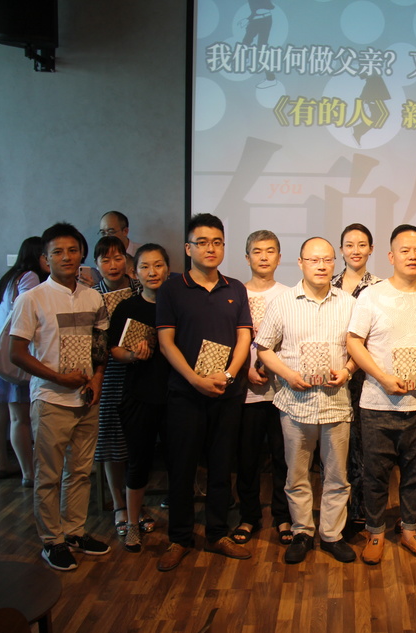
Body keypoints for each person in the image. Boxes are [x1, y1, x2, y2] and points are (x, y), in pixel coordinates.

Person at [10, 222, 112, 571]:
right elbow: (16, 353)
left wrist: (97, 378)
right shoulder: (32, 298)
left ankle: (75, 532)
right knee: (49, 475)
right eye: (57, 252)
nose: (66, 257)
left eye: (72, 250)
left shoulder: (93, 296)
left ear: (82, 254)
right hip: (51, 399)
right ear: (45, 259)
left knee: (81, 472)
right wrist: (58, 377)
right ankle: (52, 540)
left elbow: (100, 344)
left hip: (86, 398)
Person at [155, 213, 253, 571]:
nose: (210, 249)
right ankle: (180, 538)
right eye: (202, 242)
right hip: (186, 393)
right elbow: (166, 342)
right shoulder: (172, 289)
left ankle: (216, 533)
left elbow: (244, 337)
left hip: (227, 392)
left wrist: (228, 375)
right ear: (188, 248)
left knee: (221, 467)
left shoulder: (235, 288)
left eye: (217, 242)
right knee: (181, 468)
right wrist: (195, 380)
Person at [347, 224, 416, 565]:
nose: (412, 256)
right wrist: (383, 378)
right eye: (405, 250)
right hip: (378, 402)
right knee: (375, 473)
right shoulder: (371, 296)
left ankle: (409, 530)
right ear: (391, 256)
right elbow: (354, 342)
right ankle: (375, 532)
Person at [256, 237, 358, 564]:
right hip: (295, 404)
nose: (321, 266)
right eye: (313, 260)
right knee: (296, 475)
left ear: (334, 263)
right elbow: (264, 347)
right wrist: (287, 375)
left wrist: (348, 370)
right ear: (300, 263)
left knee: (337, 476)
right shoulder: (283, 302)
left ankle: (331, 534)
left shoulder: (348, 303)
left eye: (327, 260)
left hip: (336, 404)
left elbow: (360, 349)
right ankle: (302, 531)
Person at [108, 244, 171, 553]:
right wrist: (132, 355)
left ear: (168, 269)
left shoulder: (177, 305)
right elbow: (115, 350)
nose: (152, 272)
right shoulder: (127, 308)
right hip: (139, 394)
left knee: (178, 462)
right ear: (135, 273)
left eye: (158, 265)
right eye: (145, 267)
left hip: (175, 395)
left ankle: (180, 527)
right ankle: (132, 523)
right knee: (139, 461)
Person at [232, 230, 292, 547]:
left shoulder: (288, 295)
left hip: (281, 392)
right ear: (247, 258)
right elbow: (228, 340)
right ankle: (249, 516)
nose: (264, 257)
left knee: (283, 458)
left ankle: (283, 516)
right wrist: (245, 370)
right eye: (257, 251)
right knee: (247, 459)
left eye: (270, 251)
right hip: (245, 393)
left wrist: (272, 368)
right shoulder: (235, 294)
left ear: (279, 258)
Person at [0, 236, 48, 484]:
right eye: (45, 254)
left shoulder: (6, 278)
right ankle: (28, 473)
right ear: (37, 255)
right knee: (19, 416)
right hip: (11, 353)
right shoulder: (30, 277)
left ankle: (2, 466)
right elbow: (28, 310)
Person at [330, 223, 382, 533]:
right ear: (341, 250)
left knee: (363, 447)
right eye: (349, 245)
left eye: (362, 244)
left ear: (371, 249)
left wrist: (354, 367)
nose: (356, 250)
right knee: (335, 448)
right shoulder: (328, 283)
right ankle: (335, 514)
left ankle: (360, 512)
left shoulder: (379, 288)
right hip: (331, 375)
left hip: (365, 376)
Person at [92, 236, 142, 539]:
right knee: (112, 439)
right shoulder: (91, 296)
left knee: (139, 440)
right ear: (96, 264)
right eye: (106, 259)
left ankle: (137, 506)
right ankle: (119, 505)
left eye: (118, 257)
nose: (113, 265)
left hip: (141, 370)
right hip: (107, 373)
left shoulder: (140, 288)